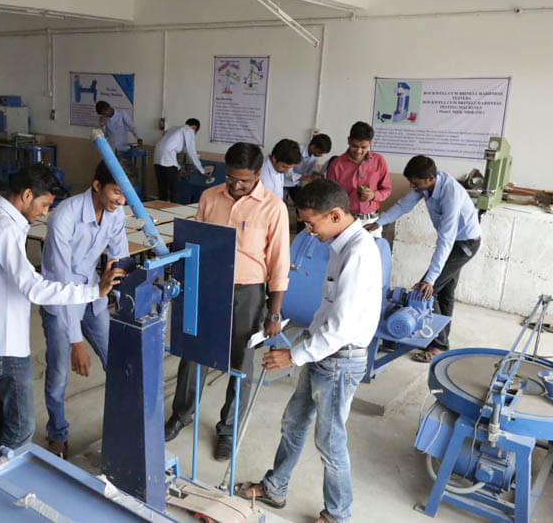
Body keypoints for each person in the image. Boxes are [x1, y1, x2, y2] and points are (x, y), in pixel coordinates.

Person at [0, 165, 126, 464]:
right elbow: (35, 289)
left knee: (3, 413)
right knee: (22, 427)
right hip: (4, 341)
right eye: (44, 205)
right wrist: (93, 292)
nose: (45, 213)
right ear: (27, 195)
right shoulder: (6, 227)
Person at [234, 179, 382, 523]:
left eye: (311, 222)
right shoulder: (338, 245)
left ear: (334, 215)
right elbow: (328, 309)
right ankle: (275, 487)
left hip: (341, 360)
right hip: (323, 353)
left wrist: (294, 356)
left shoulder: (359, 252)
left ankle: (338, 514)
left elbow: (341, 326)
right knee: (294, 423)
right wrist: (302, 344)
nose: (308, 230)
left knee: (330, 442)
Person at [164, 142, 290, 461]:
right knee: (193, 354)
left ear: (258, 175)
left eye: (243, 181)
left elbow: (279, 262)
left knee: (240, 364)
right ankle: (182, 414)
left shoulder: (273, 207)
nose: (235, 185)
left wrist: (273, 311)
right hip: (208, 286)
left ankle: (228, 429)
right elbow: (196, 240)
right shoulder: (210, 196)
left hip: (247, 292)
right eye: (231, 177)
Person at [39, 162, 129, 459]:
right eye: (117, 192)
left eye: (126, 193)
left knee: (115, 361)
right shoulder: (64, 218)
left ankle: (123, 425)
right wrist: (76, 341)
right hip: (60, 299)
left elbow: (120, 256)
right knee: (58, 375)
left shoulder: (116, 214)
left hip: (94, 295)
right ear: (96, 186)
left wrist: (122, 288)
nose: (122, 200)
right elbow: (63, 283)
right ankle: (57, 434)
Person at [365, 155, 481, 363]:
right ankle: (440, 342)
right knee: (445, 293)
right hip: (455, 242)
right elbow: (403, 205)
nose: (412, 186)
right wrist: (379, 222)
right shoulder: (425, 186)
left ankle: (433, 343)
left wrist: (430, 278)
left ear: (429, 178)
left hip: (464, 244)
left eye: (415, 183)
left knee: (425, 292)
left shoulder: (450, 195)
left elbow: (446, 240)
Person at [326, 122, 390, 236]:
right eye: (355, 146)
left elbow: (387, 190)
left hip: (371, 221)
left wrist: (373, 195)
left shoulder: (379, 161)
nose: (359, 151)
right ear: (349, 140)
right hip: (346, 221)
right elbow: (330, 197)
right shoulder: (336, 165)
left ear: (370, 143)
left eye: (364, 147)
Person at [153, 118, 210, 202]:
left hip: (157, 158)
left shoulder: (174, 128)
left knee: (162, 188)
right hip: (167, 160)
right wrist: (202, 171)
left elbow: (169, 149)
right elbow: (192, 152)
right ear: (194, 127)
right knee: (174, 189)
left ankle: (161, 209)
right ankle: (173, 209)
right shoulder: (189, 130)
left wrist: (179, 168)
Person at [283, 133, 333, 203]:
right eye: (320, 152)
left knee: (301, 204)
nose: (321, 155)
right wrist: (308, 178)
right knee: (281, 204)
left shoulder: (314, 156)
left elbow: (309, 172)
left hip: (296, 184)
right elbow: (287, 174)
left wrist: (315, 175)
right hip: (284, 182)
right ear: (312, 147)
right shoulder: (296, 150)